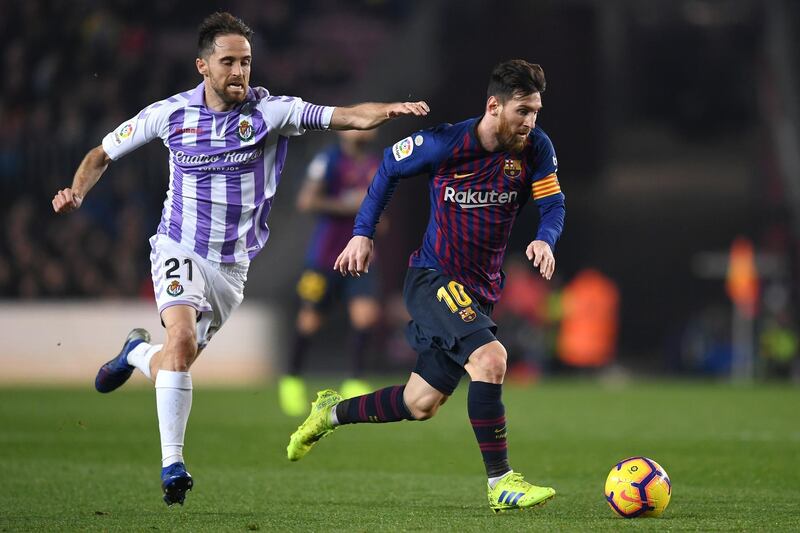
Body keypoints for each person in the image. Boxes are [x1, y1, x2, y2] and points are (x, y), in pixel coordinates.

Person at [51, 12, 429, 506]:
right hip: (178, 245)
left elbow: (345, 115)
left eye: (245, 62)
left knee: (173, 361)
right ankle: (173, 466)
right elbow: (101, 153)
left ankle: (133, 353)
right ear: (202, 66)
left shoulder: (272, 113)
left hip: (232, 269)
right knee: (182, 340)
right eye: (227, 62)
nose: (239, 72)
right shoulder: (169, 115)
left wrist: (389, 110)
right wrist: (77, 192)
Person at [287, 59, 565, 513]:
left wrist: (544, 238)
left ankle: (330, 413)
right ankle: (500, 483)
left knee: (420, 403)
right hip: (434, 278)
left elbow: (553, 204)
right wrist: (362, 232)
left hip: (479, 292)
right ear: (493, 106)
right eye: (522, 111)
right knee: (491, 359)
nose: (530, 122)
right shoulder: (443, 142)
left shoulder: (535, 148)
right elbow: (387, 171)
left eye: (535, 111)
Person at [280, 129, 382, 416]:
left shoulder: (376, 164)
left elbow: (379, 207)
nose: (362, 129)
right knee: (310, 320)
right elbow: (306, 201)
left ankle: (355, 381)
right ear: (343, 130)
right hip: (325, 257)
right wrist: (348, 205)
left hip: (362, 257)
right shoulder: (328, 159)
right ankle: (292, 379)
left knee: (365, 316)